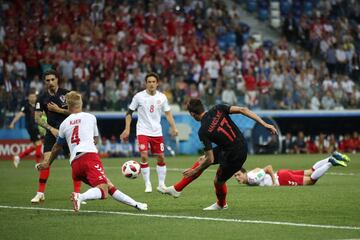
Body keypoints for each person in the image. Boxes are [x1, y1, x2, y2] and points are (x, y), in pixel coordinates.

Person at [36, 91, 147, 212]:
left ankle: (136, 204)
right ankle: (80, 196)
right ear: (81, 103)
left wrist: (48, 163)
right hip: (88, 157)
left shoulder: (64, 124)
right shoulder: (90, 117)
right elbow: (95, 139)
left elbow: (57, 147)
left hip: (75, 164)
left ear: (68, 106)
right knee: (103, 190)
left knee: (108, 186)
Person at [159, 98, 277, 210]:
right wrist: (265, 124)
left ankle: (221, 204)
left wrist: (194, 170)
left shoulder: (203, 131)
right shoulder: (218, 108)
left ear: (192, 114)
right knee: (202, 160)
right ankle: (177, 189)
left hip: (234, 155)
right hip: (239, 145)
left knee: (218, 181)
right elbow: (243, 110)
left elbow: (210, 159)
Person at [120, 72, 178, 193]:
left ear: (157, 84)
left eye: (153, 82)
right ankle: (148, 184)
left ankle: (161, 184)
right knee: (144, 156)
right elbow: (129, 113)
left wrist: (174, 127)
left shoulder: (162, 97)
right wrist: (127, 129)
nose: (151, 84)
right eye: (149, 82)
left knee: (161, 157)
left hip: (157, 132)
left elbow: (168, 113)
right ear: (145, 84)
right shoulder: (138, 97)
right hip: (142, 131)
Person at [32, 69, 81, 204]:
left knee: (75, 163)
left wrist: (58, 110)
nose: (50, 82)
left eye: (52, 79)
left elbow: (76, 112)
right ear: (44, 82)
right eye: (47, 80)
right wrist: (51, 129)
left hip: (69, 131)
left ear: (57, 79)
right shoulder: (41, 97)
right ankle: (40, 193)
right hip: (52, 132)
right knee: (46, 161)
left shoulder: (67, 94)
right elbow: (37, 118)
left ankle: (77, 194)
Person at [234, 152, 350, 186]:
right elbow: (259, 168)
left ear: (244, 173)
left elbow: (267, 168)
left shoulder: (251, 178)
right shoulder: (249, 175)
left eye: (238, 175)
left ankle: (330, 163)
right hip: (282, 174)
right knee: (310, 171)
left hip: (282, 179)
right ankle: (331, 156)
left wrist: (274, 182)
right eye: (235, 176)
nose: (237, 177)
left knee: (311, 181)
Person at [9, 88, 43, 168]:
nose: (32, 98)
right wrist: (12, 123)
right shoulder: (26, 106)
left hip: (38, 127)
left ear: (36, 97)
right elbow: (20, 114)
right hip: (32, 128)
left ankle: (18, 157)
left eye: (34, 97)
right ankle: (38, 164)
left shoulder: (38, 105)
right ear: (28, 98)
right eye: (31, 97)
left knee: (35, 146)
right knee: (39, 144)